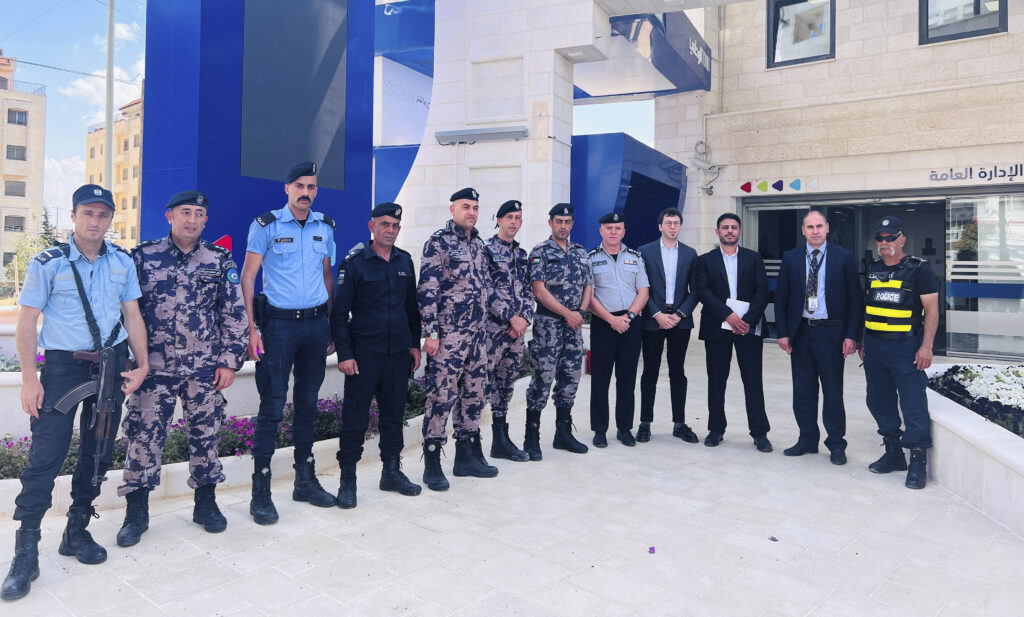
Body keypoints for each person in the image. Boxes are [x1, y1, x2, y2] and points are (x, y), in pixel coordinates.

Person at [2, 185, 149, 601]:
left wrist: (142, 364)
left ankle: (77, 529)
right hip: (64, 368)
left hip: (111, 365)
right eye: (88, 213)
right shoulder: (48, 262)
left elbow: (132, 315)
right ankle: (26, 552)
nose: (95, 221)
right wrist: (30, 378)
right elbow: (27, 322)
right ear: (73, 216)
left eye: (103, 214)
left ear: (110, 219)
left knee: (98, 451)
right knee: (45, 456)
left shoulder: (121, 261)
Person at [115, 190, 248, 547]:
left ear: (206, 220)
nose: (192, 219)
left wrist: (229, 361)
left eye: (199, 214)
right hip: (153, 369)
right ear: (169, 216)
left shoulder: (219, 259)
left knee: (205, 437)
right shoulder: (143, 257)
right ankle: (136, 512)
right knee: (144, 438)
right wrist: (128, 361)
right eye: (185, 212)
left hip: (203, 370)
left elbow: (234, 313)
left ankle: (205, 504)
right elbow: (124, 311)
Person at [241, 161, 337, 523]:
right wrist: (251, 329)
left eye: (311, 187)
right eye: (299, 186)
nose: (305, 193)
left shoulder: (324, 226)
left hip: (315, 326)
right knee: (272, 407)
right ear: (287, 189)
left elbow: (327, 276)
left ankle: (304, 481)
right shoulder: (265, 225)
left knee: (308, 404)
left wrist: (330, 324)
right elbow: (248, 277)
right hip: (279, 328)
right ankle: (261, 492)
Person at [418, 188, 513, 490]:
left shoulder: (480, 246)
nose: (471, 212)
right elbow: (428, 290)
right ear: (453, 210)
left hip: (477, 336)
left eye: (475, 207)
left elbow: (486, 288)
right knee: (441, 397)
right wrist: (431, 333)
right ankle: (432, 461)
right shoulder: (438, 243)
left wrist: (510, 316)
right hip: (449, 337)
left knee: (474, 395)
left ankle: (466, 457)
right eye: (465, 207)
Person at [331, 202, 423, 508]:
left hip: (397, 354)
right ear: (372, 227)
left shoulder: (404, 261)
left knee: (394, 417)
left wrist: (414, 344)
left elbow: (411, 309)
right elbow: (339, 314)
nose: (390, 230)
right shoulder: (355, 263)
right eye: (384, 224)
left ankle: (391, 472)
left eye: (395, 226)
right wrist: (345, 354)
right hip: (364, 356)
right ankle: (348, 480)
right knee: (355, 418)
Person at [775, 210, 862, 465]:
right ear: (803, 230)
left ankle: (836, 443)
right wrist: (783, 333)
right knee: (803, 391)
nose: (815, 231)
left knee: (832, 392)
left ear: (827, 228)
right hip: (801, 332)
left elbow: (856, 300)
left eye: (819, 226)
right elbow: (781, 298)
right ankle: (807, 439)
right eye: (810, 227)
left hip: (831, 333)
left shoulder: (843, 257)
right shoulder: (791, 257)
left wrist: (851, 335)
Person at [860, 216, 939, 489]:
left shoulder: (919, 269)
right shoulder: (873, 269)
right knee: (878, 400)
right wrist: (863, 342)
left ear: (902, 239)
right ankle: (893, 453)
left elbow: (932, 311)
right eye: (880, 238)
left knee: (913, 404)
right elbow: (868, 309)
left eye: (890, 238)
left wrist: (926, 346)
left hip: (905, 347)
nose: (884, 242)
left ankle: (917, 460)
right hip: (875, 346)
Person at [694, 213, 772, 452]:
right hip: (717, 326)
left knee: (753, 380)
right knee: (716, 380)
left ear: (739, 231)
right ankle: (716, 429)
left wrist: (747, 320)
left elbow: (762, 290)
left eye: (734, 227)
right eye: (725, 227)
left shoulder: (753, 258)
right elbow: (702, 291)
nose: (730, 231)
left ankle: (759, 432)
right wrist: (728, 315)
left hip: (748, 328)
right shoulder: (705, 260)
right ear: (717, 232)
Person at [523, 203, 592, 460]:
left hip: (573, 326)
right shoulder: (540, 251)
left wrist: (580, 312)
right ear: (550, 222)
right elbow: (539, 290)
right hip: (548, 325)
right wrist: (568, 314)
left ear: (572, 224)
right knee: (542, 379)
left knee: (570, 379)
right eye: (559, 221)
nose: (563, 226)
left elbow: (588, 285)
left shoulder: (580, 252)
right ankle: (531, 437)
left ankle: (563, 433)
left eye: (567, 222)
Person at [586, 212, 649, 447]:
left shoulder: (635, 257)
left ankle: (624, 428)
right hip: (603, 323)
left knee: (627, 378)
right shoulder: (590, 259)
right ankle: (600, 430)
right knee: (600, 379)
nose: (613, 232)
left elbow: (643, 291)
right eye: (609, 228)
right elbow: (589, 296)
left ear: (624, 231)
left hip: (630, 323)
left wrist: (629, 316)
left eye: (618, 228)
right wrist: (611, 319)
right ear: (601, 230)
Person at [637, 207, 699, 444]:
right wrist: (656, 314)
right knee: (650, 371)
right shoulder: (645, 251)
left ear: (680, 226)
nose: (672, 227)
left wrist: (680, 314)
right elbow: (641, 286)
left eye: (676, 223)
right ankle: (645, 423)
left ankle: (679, 424)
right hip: (653, 320)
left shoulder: (690, 253)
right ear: (660, 226)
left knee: (678, 372)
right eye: (668, 223)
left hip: (680, 321)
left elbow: (696, 289)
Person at [483, 200, 534, 462]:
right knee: (480, 386)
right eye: (509, 217)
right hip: (493, 332)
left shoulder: (522, 255)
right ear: (499, 220)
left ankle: (500, 441)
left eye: (518, 217)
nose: (514, 222)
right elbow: (486, 289)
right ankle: (469, 444)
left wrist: (524, 319)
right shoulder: (486, 251)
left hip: (516, 334)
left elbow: (529, 290)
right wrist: (511, 318)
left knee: (505, 386)